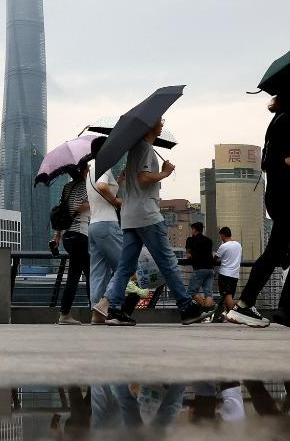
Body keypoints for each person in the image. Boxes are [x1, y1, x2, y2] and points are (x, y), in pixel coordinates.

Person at [91, 118, 212, 325]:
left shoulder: (135, 150)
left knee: (125, 267)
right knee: (168, 262)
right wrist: (165, 173)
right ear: (149, 125)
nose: (162, 123)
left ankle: (115, 310)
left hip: (130, 216)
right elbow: (144, 178)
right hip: (146, 214)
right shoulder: (145, 148)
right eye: (159, 120)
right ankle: (186, 308)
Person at [227, 85, 290, 328]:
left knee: (286, 250)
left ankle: (256, 305)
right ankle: (258, 305)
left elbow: (268, 163)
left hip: (277, 195)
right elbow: (288, 161)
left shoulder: (277, 121)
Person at [86, 138, 145, 325]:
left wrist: (119, 181)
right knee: (126, 266)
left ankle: (97, 313)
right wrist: (116, 201)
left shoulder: (90, 171)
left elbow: (101, 189)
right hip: (107, 224)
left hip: (94, 226)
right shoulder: (103, 166)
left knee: (98, 272)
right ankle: (107, 304)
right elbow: (103, 187)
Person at [55, 163, 91, 325]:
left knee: (85, 273)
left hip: (68, 236)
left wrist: (57, 235)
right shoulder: (86, 186)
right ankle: (66, 314)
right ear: (83, 171)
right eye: (88, 168)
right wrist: (92, 203)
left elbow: (62, 211)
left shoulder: (67, 187)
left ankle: (95, 310)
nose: (89, 171)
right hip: (80, 234)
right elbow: (83, 207)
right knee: (80, 275)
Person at [185, 222, 216, 309]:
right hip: (210, 269)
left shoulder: (190, 240)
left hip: (199, 269)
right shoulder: (208, 240)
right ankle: (208, 313)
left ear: (194, 229)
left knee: (191, 291)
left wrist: (191, 254)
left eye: (192, 229)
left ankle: (204, 310)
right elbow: (211, 254)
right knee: (208, 293)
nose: (191, 231)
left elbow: (188, 255)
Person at [213, 227, 241, 320]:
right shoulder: (238, 245)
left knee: (227, 295)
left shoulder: (224, 246)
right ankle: (227, 316)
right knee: (228, 296)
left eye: (220, 235)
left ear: (222, 235)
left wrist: (213, 254)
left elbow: (215, 259)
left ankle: (234, 316)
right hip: (235, 275)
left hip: (225, 274)